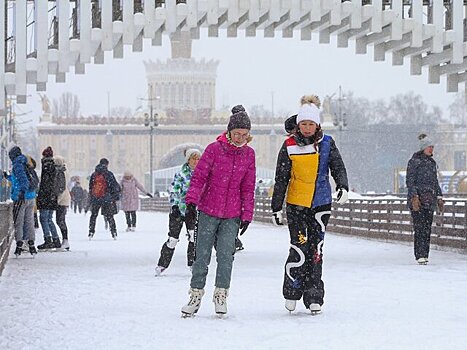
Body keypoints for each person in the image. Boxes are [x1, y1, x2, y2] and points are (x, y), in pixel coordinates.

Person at [271, 95, 349, 315]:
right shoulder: (289, 145)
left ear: (317, 125)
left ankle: (314, 295)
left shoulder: (327, 143)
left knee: (316, 250)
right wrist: (276, 206)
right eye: (303, 124)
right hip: (297, 205)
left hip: (320, 204)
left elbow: (338, 167)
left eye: (310, 124)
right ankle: (292, 291)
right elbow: (281, 178)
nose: (307, 128)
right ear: (298, 124)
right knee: (299, 248)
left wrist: (342, 185)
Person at [181, 105, 256, 317]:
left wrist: (247, 214)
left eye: (244, 134)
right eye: (237, 134)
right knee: (201, 255)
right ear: (229, 132)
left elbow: (248, 187)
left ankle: (221, 295)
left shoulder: (249, 155)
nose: (240, 138)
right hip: (208, 210)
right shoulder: (214, 150)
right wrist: (191, 202)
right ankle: (195, 295)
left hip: (232, 215)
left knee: (226, 256)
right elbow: (199, 177)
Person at [155, 148, 201, 276]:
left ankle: (193, 264)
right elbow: (174, 191)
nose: (196, 161)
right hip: (179, 211)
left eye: (198, 158)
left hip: (194, 211)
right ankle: (162, 264)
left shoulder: (203, 174)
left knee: (194, 237)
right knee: (173, 239)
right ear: (188, 160)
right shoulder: (181, 175)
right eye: (193, 158)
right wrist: (175, 206)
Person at [406, 134, 443, 265]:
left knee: (427, 228)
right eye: (429, 147)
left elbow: (435, 181)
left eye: (432, 147)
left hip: (429, 200)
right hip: (418, 201)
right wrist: (414, 197)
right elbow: (410, 181)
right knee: (419, 227)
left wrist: (439, 196)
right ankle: (419, 255)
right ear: (423, 148)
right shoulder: (414, 161)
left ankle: (425, 254)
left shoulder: (432, 163)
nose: (431, 149)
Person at [5, 146, 37, 256]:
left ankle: (19, 244)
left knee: (19, 221)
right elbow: (19, 178)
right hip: (31, 196)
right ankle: (31, 243)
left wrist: (22, 192)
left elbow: (23, 180)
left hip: (21, 198)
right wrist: (8, 177)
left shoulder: (17, 164)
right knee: (29, 221)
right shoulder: (26, 162)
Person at [88, 158, 121, 240]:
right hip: (106, 198)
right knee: (110, 216)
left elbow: (91, 187)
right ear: (107, 164)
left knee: (94, 215)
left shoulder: (94, 174)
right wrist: (115, 197)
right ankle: (114, 232)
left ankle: (91, 232)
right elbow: (114, 186)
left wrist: (92, 197)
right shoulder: (109, 174)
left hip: (96, 198)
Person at [37, 146, 60, 250]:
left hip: (46, 197)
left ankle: (48, 240)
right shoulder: (54, 166)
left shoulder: (46, 166)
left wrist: (42, 196)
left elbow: (45, 184)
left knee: (43, 218)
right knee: (49, 219)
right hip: (52, 197)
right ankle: (56, 240)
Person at [54, 156, 71, 250]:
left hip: (62, 200)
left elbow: (61, 188)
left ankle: (65, 240)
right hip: (64, 199)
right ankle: (65, 240)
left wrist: (57, 200)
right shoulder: (64, 171)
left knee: (60, 220)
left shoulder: (60, 173)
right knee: (61, 220)